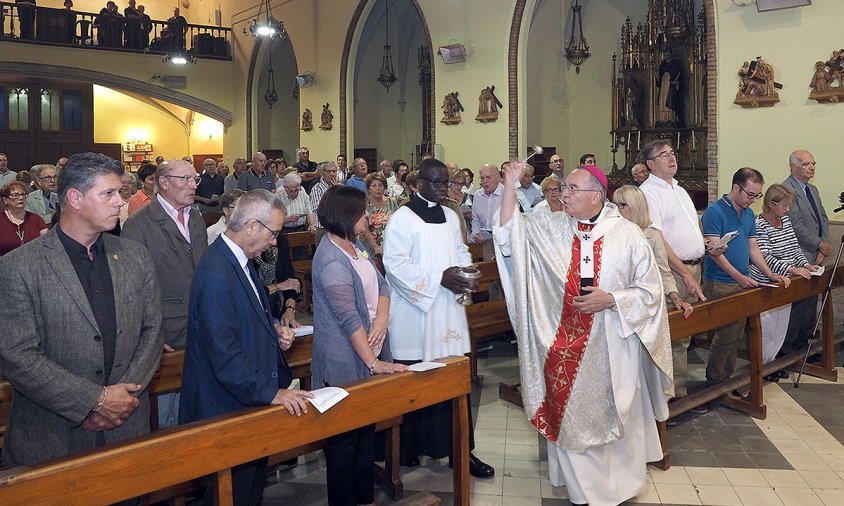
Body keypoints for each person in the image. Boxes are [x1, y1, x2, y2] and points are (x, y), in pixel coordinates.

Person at [495, 163, 673, 506]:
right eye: (564, 187)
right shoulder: (549, 226)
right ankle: (583, 492)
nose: (564, 193)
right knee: (569, 415)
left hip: (614, 345)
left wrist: (613, 299)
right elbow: (508, 235)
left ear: (596, 195)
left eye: (573, 188)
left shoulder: (628, 235)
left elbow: (651, 294)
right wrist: (509, 186)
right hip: (563, 345)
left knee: (619, 413)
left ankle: (622, 487)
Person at [0, 152, 163, 467]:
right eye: (109, 193)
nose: (120, 201)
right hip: (53, 438)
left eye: (121, 192)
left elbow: (153, 330)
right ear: (74, 198)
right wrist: (95, 401)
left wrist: (123, 399)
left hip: (127, 430)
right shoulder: (18, 267)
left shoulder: (135, 257)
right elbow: (18, 356)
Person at [179, 190, 314, 506]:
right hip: (225, 405)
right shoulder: (217, 272)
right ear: (252, 226)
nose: (273, 242)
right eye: (274, 233)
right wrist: (273, 394)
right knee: (230, 495)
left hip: (245, 400)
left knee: (250, 490)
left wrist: (275, 331)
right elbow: (223, 352)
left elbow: (247, 316)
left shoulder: (242, 262)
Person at [383, 158, 495, 479]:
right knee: (416, 384)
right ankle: (408, 450)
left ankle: (462, 451)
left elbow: (459, 251)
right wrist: (438, 279)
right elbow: (395, 265)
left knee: (453, 380)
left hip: (448, 311)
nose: (442, 188)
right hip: (416, 314)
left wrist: (467, 271)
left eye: (445, 182)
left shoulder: (449, 215)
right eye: (435, 182)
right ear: (418, 184)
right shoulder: (401, 219)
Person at [312, 185, 407, 505]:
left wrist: (381, 320)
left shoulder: (354, 247)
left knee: (365, 432)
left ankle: (365, 497)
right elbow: (348, 318)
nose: (366, 215)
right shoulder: (331, 260)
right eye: (360, 211)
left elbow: (382, 283)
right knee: (344, 441)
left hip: (368, 348)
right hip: (345, 360)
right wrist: (374, 363)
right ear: (344, 216)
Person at [122, 160, 208, 426]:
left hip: (201, 326)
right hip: (167, 332)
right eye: (186, 179)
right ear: (164, 182)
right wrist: (150, 336)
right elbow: (131, 289)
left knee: (197, 411)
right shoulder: (139, 224)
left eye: (195, 179)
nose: (193, 185)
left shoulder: (195, 217)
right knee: (167, 417)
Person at [701, 168, 790, 390]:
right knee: (726, 334)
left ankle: (725, 380)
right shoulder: (715, 212)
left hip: (741, 279)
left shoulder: (749, 214)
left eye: (757, 196)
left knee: (735, 333)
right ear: (736, 188)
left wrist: (769, 273)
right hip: (720, 280)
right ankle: (715, 382)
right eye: (750, 194)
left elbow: (753, 248)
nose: (753, 200)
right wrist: (738, 276)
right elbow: (715, 252)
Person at [638, 140, 707, 400]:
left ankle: (677, 390)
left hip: (693, 268)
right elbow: (658, 239)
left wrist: (703, 246)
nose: (671, 157)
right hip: (673, 273)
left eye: (672, 153)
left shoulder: (678, 188)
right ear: (650, 164)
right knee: (672, 336)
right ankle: (671, 395)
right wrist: (685, 273)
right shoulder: (648, 193)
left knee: (685, 335)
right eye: (663, 155)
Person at [751, 184, 816, 379]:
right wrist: (791, 269)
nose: (787, 210)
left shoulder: (785, 221)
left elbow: (795, 248)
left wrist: (805, 265)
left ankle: (773, 364)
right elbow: (765, 256)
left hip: (787, 281)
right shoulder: (759, 224)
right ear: (772, 204)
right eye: (785, 206)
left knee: (781, 327)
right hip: (767, 280)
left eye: (789, 206)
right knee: (768, 328)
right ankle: (762, 367)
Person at [614, 185, 694, 319]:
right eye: (615, 204)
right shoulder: (611, 233)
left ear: (636, 206)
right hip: (617, 300)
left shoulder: (653, 235)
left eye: (622, 205)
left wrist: (675, 298)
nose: (617, 210)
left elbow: (663, 272)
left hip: (645, 302)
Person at [781, 149, 830, 357]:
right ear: (794, 167)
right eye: (806, 164)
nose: (811, 167)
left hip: (816, 253)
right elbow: (795, 225)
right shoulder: (786, 189)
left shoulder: (813, 189)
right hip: (799, 254)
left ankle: (805, 345)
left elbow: (823, 218)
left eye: (813, 164)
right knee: (798, 304)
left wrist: (824, 244)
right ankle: (788, 349)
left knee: (811, 302)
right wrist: (820, 244)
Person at [0, 180, 47, 255]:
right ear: (5, 200)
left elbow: (47, 243)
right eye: (15, 195)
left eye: (23, 194)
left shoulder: (36, 219)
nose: (21, 198)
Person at [361, 172, 399, 260]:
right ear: (369, 189)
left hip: (389, 246)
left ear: (384, 187)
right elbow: (364, 228)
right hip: (368, 246)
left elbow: (397, 225)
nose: (377, 189)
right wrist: (376, 248)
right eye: (374, 186)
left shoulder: (392, 202)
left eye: (380, 185)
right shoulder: (364, 203)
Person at [310, 160, 338, 247]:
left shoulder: (339, 187)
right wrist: (333, 193)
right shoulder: (317, 188)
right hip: (323, 228)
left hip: (337, 227)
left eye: (334, 171)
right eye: (329, 171)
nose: (332, 174)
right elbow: (320, 210)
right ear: (322, 173)